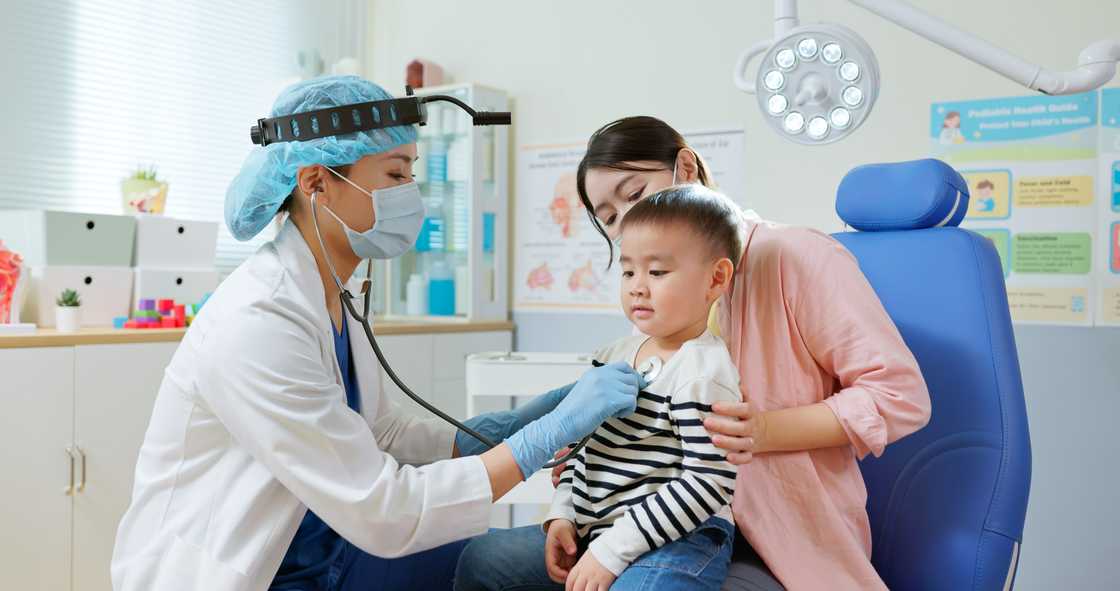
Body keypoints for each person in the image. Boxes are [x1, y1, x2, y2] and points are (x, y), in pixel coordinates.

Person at [110, 76, 644, 591]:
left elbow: (378, 435)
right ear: (316, 183)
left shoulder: (335, 291)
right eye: (394, 175)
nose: (411, 193)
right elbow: (385, 509)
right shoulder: (258, 322)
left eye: (411, 172)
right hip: (248, 569)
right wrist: (542, 439)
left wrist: (524, 418)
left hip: (329, 548)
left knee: (487, 563)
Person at [541, 116, 931, 590]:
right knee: (486, 562)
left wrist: (764, 430)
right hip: (659, 521)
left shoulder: (796, 256)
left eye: (634, 194)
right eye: (609, 218)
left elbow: (899, 396)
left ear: (686, 168)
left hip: (772, 536)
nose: (628, 222)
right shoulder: (654, 289)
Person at [456, 186, 745, 590]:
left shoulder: (702, 370)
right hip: (601, 529)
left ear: (716, 279)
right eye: (628, 271)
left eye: (657, 272)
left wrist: (610, 553)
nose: (637, 287)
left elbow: (707, 483)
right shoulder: (612, 354)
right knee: (484, 560)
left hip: (682, 538)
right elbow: (582, 447)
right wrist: (563, 515)